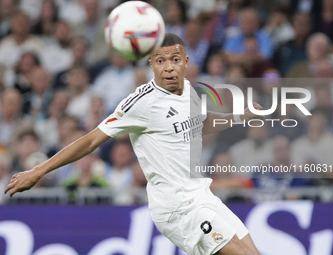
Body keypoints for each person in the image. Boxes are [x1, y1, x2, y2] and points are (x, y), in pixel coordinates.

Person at [4, 33, 262, 255]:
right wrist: (39, 171)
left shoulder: (189, 92)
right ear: (151, 64)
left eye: (175, 60)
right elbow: (92, 139)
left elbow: (200, 122)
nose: (169, 67)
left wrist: (238, 117)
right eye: (161, 61)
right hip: (178, 209)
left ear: (185, 63)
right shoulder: (140, 103)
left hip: (202, 196)